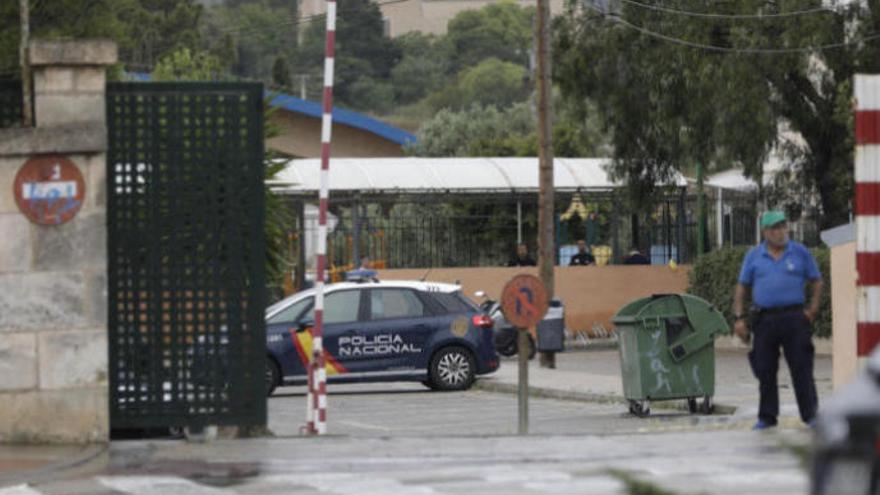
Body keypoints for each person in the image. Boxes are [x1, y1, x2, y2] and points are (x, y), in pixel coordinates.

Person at [733, 210, 822, 430]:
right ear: (765, 232)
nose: (781, 232)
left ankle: (811, 415)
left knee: (802, 367)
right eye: (775, 228)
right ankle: (767, 416)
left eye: (783, 226)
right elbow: (742, 287)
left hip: (794, 318)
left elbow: (817, 281)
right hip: (765, 319)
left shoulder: (799, 252)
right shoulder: (754, 256)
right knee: (765, 369)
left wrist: (812, 310)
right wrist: (739, 318)